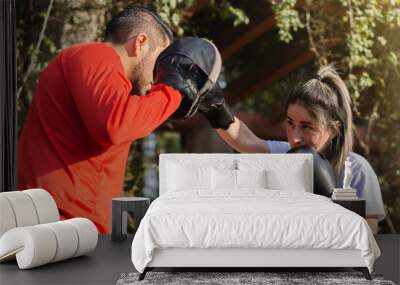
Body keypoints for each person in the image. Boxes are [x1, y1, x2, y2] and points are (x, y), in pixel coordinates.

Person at [17, 7, 218, 233]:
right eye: (161, 59)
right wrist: (173, 90)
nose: (162, 71)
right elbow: (115, 125)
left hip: (73, 230)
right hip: (63, 230)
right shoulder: (95, 54)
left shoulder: (110, 81)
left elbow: (121, 120)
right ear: (140, 42)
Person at [199, 65, 385, 232]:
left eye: (306, 126)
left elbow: (369, 237)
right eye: (290, 123)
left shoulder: (357, 170)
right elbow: (246, 140)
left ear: (333, 129)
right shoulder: (289, 155)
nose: (294, 137)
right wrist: (212, 102)